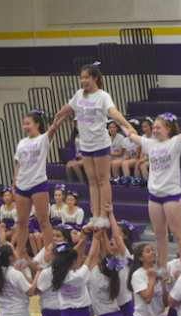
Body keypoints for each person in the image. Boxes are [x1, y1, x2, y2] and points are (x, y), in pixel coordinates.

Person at [127, 112, 181, 275]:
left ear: (167, 129)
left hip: (171, 195)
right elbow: (130, 134)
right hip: (154, 195)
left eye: (158, 127)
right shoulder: (150, 144)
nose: (155, 130)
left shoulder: (175, 142)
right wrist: (118, 119)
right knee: (159, 234)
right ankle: (162, 267)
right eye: (154, 128)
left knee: (178, 233)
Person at [55, 64, 135, 228]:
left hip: (99, 142)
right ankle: (96, 214)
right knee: (91, 180)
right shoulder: (79, 95)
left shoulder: (103, 96)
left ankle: (104, 214)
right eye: (81, 78)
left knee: (102, 179)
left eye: (86, 77)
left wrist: (128, 126)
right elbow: (68, 108)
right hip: (86, 144)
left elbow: (114, 113)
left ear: (95, 78)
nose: (83, 81)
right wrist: (57, 117)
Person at [12, 110, 67, 262]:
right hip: (22, 185)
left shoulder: (43, 139)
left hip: (38, 184)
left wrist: (63, 116)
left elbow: (54, 127)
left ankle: (49, 252)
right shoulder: (22, 143)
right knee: (22, 222)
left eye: (28, 124)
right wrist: (14, 185)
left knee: (43, 221)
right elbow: (19, 165)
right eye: (24, 124)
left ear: (37, 125)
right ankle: (20, 254)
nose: (25, 126)